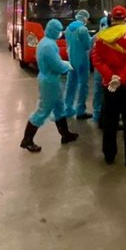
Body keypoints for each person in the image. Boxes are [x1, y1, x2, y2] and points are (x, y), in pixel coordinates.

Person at [92, 5, 126, 167]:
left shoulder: (101, 37)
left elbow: (96, 59)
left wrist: (111, 77)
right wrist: (122, 78)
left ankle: (109, 155)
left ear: (111, 19)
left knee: (110, 120)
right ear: (125, 18)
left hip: (109, 85)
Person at [20, 19, 78, 153]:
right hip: (49, 81)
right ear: (53, 30)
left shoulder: (45, 42)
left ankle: (65, 134)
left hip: (51, 79)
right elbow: (57, 65)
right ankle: (27, 139)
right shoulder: (48, 46)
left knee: (59, 107)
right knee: (43, 110)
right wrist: (68, 65)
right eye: (58, 31)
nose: (60, 33)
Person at [64, 9, 92, 120]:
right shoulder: (83, 30)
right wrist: (93, 39)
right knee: (83, 85)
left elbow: (68, 44)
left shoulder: (68, 28)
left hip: (71, 59)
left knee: (71, 84)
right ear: (85, 18)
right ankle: (80, 110)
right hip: (82, 60)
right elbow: (87, 45)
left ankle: (68, 108)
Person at [91, 16, 109, 124]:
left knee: (98, 91)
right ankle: (106, 116)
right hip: (108, 68)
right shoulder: (113, 35)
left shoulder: (95, 37)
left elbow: (91, 51)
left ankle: (97, 114)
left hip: (98, 68)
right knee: (108, 92)